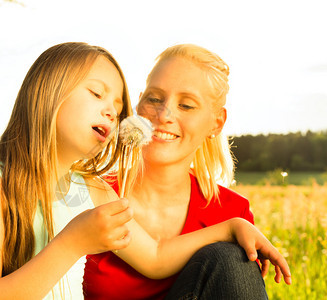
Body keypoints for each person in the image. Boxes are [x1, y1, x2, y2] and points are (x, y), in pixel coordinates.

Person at [0, 42, 290, 300]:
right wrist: (73, 242)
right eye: (97, 94)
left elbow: (154, 258)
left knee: (230, 260)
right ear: (48, 92)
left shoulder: (90, 189)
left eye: (118, 107)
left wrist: (231, 226)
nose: (112, 113)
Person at [83, 44, 291, 300]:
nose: (164, 115)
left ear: (217, 122)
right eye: (155, 99)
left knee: (230, 257)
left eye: (187, 105)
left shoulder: (231, 212)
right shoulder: (90, 195)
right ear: (138, 104)